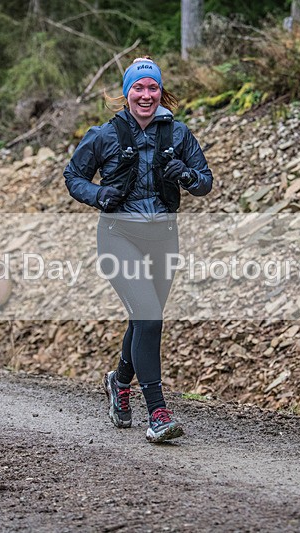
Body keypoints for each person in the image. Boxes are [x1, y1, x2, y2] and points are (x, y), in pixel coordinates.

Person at [63, 57, 213, 442]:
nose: (146, 95)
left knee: (144, 319)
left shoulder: (178, 134)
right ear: (126, 93)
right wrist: (98, 194)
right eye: (138, 88)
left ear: (161, 92)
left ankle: (119, 382)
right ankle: (159, 412)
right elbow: (73, 176)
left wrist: (186, 174)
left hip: (164, 236)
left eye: (152, 88)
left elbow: (205, 182)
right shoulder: (104, 135)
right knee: (149, 317)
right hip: (118, 235)